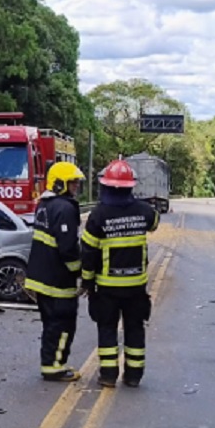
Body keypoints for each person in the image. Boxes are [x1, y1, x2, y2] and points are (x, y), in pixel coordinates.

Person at [81, 158, 160, 389]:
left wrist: (87, 281)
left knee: (107, 329)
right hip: (136, 287)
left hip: (107, 288)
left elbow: (88, 253)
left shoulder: (98, 215)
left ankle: (108, 375)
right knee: (135, 330)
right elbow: (155, 222)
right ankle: (134, 376)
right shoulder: (143, 211)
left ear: (106, 186)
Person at [25, 161, 85, 382]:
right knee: (63, 324)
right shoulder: (65, 208)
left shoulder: (44, 204)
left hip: (41, 278)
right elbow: (68, 248)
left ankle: (49, 362)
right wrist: (80, 272)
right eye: (73, 182)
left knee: (51, 324)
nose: (76, 185)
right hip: (57, 281)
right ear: (60, 183)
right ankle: (55, 367)